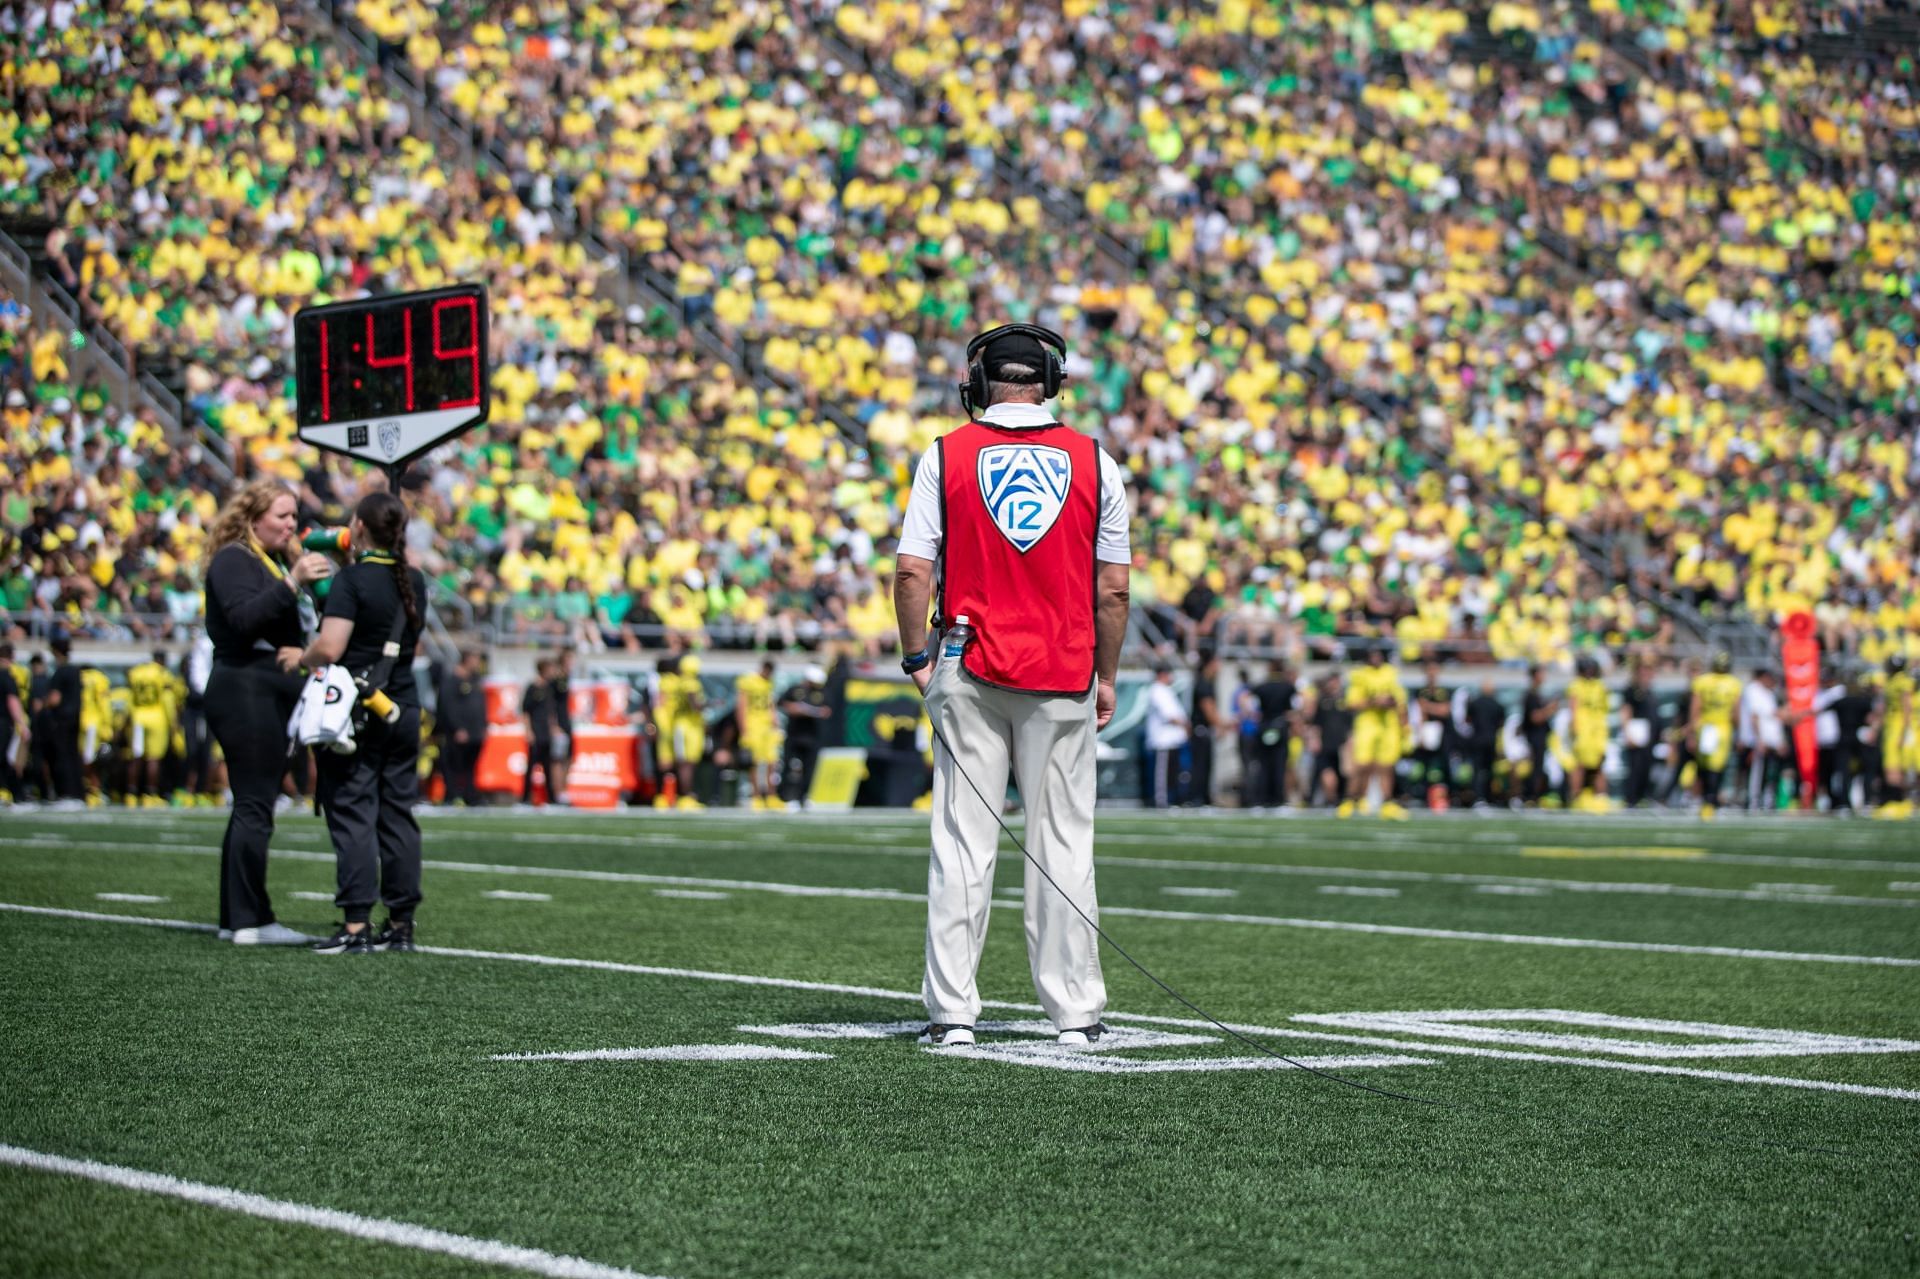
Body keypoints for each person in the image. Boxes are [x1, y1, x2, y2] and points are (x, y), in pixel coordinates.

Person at [892, 320, 1131, 1049]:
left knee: (964, 841)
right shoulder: (1097, 462)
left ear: (977, 383)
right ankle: (1075, 1012)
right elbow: (1114, 590)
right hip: (1062, 666)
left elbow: (910, 571)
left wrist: (915, 660)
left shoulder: (945, 455)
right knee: (1063, 842)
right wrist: (1109, 675)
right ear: (1052, 382)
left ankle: (954, 1013)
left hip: (969, 662)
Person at [282, 491, 427, 956]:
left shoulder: (353, 580)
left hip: (357, 710)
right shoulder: (415, 579)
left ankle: (356, 924)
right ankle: (401, 923)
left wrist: (299, 656)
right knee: (398, 813)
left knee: (352, 812)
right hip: (402, 705)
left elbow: (330, 646)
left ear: (358, 527)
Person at [203, 479, 333, 945]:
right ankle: (250, 922)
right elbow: (242, 619)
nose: (292, 524)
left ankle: (237, 916)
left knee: (254, 804)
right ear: (252, 518)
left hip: (264, 688)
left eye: (294, 516)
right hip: (244, 686)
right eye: (282, 516)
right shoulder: (234, 559)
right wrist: (292, 581)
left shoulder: (274, 560)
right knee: (256, 803)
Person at [1345, 647, 1408, 819]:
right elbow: (1351, 703)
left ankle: (1387, 803)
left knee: (1386, 766)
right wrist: (1374, 701)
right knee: (1362, 764)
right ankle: (1352, 799)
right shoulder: (1360, 675)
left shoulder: (1390, 673)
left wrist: (1395, 709)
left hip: (1388, 725)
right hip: (1367, 724)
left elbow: (1400, 700)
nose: (1376, 658)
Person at [1690, 652, 1743, 819]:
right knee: (1716, 767)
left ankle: (1706, 801)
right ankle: (1710, 801)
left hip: (1706, 727)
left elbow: (1695, 708)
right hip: (1722, 728)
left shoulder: (1703, 681)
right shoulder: (1733, 684)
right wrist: (1739, 731)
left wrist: (1693, 728)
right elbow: (1736, 713)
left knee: (1704, 766)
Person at [654, 653, 706, 809]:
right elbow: (695, 705)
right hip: (684, 726)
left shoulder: (676, 682)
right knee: (683, 763)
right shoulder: (688, 683)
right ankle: (681, 796)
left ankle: (668, 796)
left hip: (677, 725)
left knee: (675, 762)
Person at [126, 649, 177, 805]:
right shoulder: (162, 674)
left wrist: (129, 718)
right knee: (153, 759)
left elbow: (130, 698)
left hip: (138, 715)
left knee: (136, 757)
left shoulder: (136, 672)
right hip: (157, 717)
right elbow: (167, 701)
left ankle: (131, 794)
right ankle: (150, 794)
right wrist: (173, 723)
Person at [437, 649, 487, 806]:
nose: (478, 664)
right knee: (455, 765)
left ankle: (469, 795)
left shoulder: (474, 681)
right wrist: (457, 727)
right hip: (458, 732)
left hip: (475, 731)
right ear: (467, 659)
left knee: (470, 767)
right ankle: (453, 795)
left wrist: (483, 725)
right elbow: (447, 706)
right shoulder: (451, 681)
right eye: (475, 659)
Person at [777, 665, 830, 805]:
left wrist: (809, 711)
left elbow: (826, 710)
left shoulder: (820, 692)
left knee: (809, 769)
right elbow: (781, 703)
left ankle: (804, 797)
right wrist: (794, 709)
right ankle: (784, 797)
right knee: (787, 768)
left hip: (811, 736)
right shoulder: (795, 689)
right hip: (794, 735)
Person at [735, 658, 783, 810]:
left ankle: (771, 796)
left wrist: (775, 721)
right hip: (753, 726)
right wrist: (744, 730)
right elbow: (741, 706)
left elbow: (770, 704)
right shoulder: (748, 681)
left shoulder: (768, 683)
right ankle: (756, 797)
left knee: (772, 762)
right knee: (754, 763)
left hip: (766, 727)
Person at [1247, 663, 1296, 808]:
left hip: (1264, 726)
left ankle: (1261, 798)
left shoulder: (1261, 687)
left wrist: (1253, 715)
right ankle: (1277, 799)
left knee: (1263, 764)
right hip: (1280, 727)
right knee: (1279, 764)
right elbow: (1296, 707)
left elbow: (1247, 701)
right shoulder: (1288, 687)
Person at [1567, 655, 1612, 812]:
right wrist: (1574, 728)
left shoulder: (1600, 686)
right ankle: (1576, 797)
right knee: (1579, 765)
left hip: (1598, 730)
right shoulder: (1576, 686)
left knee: (1600, 763)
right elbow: (1573, 708)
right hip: (1583, 729)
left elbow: (1605, 709)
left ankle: (1601, 798)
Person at [1143, 662, 1190, 808]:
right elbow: (1169, 715)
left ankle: (1171, 798)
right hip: (1163, 740)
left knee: (1172, 773)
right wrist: (1185, 725)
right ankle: (1161, 800)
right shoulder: (1157, 690)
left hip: (1171, 740)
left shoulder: (1166, 690)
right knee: (1162, 774)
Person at [1737, 667, 1785, 811]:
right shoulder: (1753, 691)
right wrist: (1759, 739)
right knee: (1756, 772)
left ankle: (1764, 799)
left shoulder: (1768, 693)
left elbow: (1773, 717)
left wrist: (1779, 740)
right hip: (1756, 741)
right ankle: (1753, 800)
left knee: (1767, 773)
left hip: (1770, 741)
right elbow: (1755, 717)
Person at [44, 636, 85, 801]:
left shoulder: (60, 672)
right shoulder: (76, 671)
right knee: (73, 755)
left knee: (62, 756)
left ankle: (66, 793)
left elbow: (55, 699)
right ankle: (77, 792)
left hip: (62, 720)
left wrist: (42, 704)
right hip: (75, 717)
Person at [521, 658, 565, 805]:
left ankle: (551, 797)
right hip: (536, 730)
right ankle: (525, 797)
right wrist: (528, 730)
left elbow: (552, 711)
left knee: (548, 766)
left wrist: (554, 727)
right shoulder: (533, 688)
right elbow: (526, 711)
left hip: (547, 732)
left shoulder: (550, 688)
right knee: (531, 766)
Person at [1308, 667, 1351, 809]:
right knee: (1327, 772)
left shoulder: (1346, 700)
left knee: (1344, 774)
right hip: (1326, 743)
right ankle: (1331, 799)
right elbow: (1315, 723)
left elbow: (1351, 723)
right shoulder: (1322, 700)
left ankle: (1342, 799)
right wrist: (1314, 739)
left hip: (1342, 743)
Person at [1878, 655, 1915, 818]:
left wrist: (1905, 732)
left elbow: (1907, 707)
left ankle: (1900, 801)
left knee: (1894, 767)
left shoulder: (1901, 681)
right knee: (1892, 766)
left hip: (1898, 726)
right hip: (1893, 725)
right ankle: (1898, 801)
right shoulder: (1893, 680)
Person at [1412, 660, 1452, 810]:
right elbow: (1418, 713)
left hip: (1443, 735)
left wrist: (1427, 707)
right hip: (1427, 735)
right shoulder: (1421, 691)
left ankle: (1443, 797)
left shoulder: (1443, 691)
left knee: (1442, 767)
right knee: (1425, 767)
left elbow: (1445, 710)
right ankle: (1424, 797)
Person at [1620, 660, 1660, 808]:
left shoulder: (1650, 691)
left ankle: (1643, 797)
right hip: (1637, 734)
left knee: (1646, 767)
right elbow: (1625, 711)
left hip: (1649, 736)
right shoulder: (1631, 690)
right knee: (1635, 768)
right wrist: (1627, 733)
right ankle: (1631, 799)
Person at [1187, 651, 1224, 807]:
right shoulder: (1204, 683)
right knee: (1201, 766)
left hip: (1202, 729)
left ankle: (1203, 797)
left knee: (1204, 765)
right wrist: (1221, 725)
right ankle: (1198, 798)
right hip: (1201, 729)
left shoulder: (1206, 682)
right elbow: (1208, 708)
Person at [1464, 677, 1505, 809]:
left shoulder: (1475, 703)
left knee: (1477, 770)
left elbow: (1467, 720)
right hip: (1491, 740)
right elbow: (1500, 724)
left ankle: (1478, 797)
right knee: (1489, 771)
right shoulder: (1497, 705)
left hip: (1477, 740)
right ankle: (1488, 797)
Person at [1520, 665, 1556, 807]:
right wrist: (1550, 709)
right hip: (1534, 737)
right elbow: (1535, 717)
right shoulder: (1531, 695)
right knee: (1535, 767)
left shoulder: (1537, 694)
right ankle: (1531, 796)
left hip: (1539, 736)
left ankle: (1534, 796)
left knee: (1538, 767)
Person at [0, 642, 27, 801]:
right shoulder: (7, 676)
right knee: (5, 759)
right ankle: (16, 794)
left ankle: (14, 793)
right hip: (3, 722)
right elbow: (12, 701)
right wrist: (22, 724)